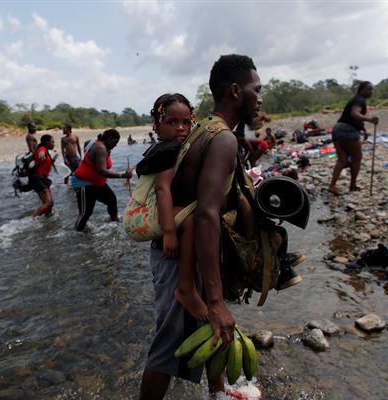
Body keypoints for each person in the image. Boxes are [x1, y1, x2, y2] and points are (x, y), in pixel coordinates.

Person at [140, 54, 278, 399]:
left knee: (209, 328)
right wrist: (215, 300)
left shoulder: (205, 129)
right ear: (235, 91)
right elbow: (205, 214)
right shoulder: (223, 139)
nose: (260, 98)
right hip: (177, 259)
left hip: (186, 253)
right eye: (255, 90)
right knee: (168, 346)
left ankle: (218, 391)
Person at [134, 93, 207, 320]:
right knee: (193, 218)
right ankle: (185, 288)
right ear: (157, 126)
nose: (181, 128)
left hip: (166, 218)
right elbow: (162, 189)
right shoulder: (167, 150)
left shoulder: (171, 147)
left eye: (186, 122)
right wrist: (169, 233)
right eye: (172, 122)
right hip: (167, 225)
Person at [72, 129, 133, 231]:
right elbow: (102, 171)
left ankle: (115, 224)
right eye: (115, 142)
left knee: (112, 200)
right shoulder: (100, 148)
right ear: (109, 139)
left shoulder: (104, 147)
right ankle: (75, 235)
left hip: (97, 184)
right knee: (85, 213)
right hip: (85, 184)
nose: (115, 145)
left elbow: (87, 145)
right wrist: (122, 175)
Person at [328, 81, 379, 196]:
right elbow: (354, 114)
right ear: (361, 90)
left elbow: (356, 119)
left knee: (342, 160)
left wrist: (363, 129)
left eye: (372, 90)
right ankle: (352, 185)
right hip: (348, 131)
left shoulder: (356, 99)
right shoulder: (359, 100)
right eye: (368, 89)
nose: (371, 92)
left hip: (337, 129)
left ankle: (332, 185)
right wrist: (370, 119)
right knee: (357, 158)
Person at [29, 134, 58, 217]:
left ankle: (48, 223)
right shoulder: (42, 149)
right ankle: (32, 219)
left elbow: (45, 164)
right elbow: (41, 152)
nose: (53, 144)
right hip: (37, 179)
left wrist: (54, 159)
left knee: (50, 204)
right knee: (48, 203)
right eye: (52, 142)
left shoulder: (46, 151)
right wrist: (41, 154)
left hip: (43, 179)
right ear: (46, 142)